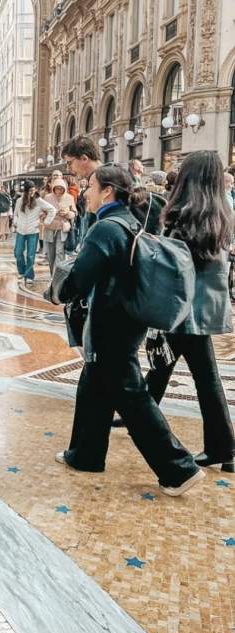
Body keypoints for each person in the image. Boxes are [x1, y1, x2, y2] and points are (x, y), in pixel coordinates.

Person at [53, 164, 204, 495]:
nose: (86, 192)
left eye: (90, 186)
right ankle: (85, 454)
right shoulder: (131, 219)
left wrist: (59, 289)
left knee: (130, 394)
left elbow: (80, 277)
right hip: (127, 317)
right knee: (94, 382)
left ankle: (179, 468)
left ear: (107, 191)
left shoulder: (106, 228)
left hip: (111, 322)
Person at [143, 152, 234, 474]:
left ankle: (223, 447)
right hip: (206, 304)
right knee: (167, 365)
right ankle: (223, 448)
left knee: (194, 373)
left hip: (182, 306)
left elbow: (170, 263)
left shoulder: (184, 215)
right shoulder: (221, 211)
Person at [13, 180, 56, 288]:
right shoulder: (19, 201)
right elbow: (16, 214)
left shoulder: (39, 201)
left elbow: (52, 210)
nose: (32, 193)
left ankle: (29, 276)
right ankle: (21, 272)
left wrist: (45, 222)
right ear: (25, 191)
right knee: (18, 252)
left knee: (30, 255)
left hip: (33, 231)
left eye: (33, 190)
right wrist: (16, 223)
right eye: (29, 191)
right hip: (20, 231)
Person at [43, 176, 76, 275]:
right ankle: (52, 273)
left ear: (64, 188)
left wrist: (67, 213)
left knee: (59, 252)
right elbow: (42, 213)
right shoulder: (47, 197)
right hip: (50, 228)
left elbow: (74, 212)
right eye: (57, 188)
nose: (59, 190)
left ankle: (57, 275)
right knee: (51, 254)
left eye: (61, 188)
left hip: (62, 228)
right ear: (53, 188)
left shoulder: (70, 197)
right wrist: (50, 215)